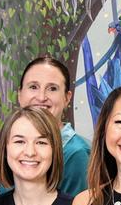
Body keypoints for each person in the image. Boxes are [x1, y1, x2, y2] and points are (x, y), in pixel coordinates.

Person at [18, 56, 90, 197]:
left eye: (52, 88)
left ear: (67, 98)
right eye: (33, 87)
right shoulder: (12, 146)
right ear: (19, 94)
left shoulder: (77, 154)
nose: (41, 97)